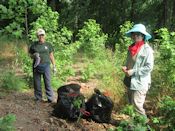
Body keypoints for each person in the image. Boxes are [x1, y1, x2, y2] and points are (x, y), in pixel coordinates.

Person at [122, 24, 154, 116]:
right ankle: (133, 125)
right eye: (134, 34)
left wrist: (132, 71)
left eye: (138, 34)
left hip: (140, 82)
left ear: (143, 36)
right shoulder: (131, 48)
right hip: (129, 81)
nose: (135, 36)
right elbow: (129, 62)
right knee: (131, 105)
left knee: (137, 106)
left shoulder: (147, 50)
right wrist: (125, 67)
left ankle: (143, 126)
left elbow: (149, 67)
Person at [29, 28, 57, 103]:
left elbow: (51, 55)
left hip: (46, 65)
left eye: (42, 35)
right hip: (36, 66)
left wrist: (54, 66)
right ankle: (38, 98)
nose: (41, 36)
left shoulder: (48, 45)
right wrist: (34, 55)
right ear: (37, 36)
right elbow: (30, 55)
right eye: (39, 35)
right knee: (37, 83)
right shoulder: (34, 45)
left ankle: (50, 98)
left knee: (48, 82)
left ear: (44, 35)